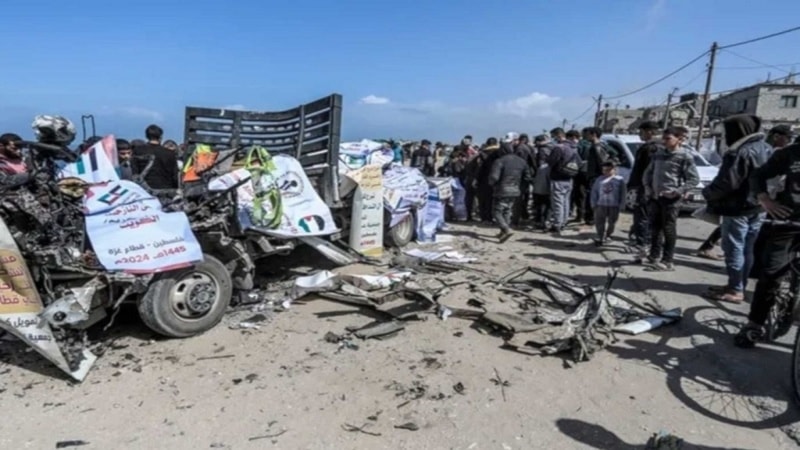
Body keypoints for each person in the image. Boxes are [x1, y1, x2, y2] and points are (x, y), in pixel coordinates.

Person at [736, 138, 800, 347]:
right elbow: (758, 175)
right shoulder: (790, 153)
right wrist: (764, 199)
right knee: (771, 274)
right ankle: (754, 324)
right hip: (789, 221)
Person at [702, 114, 772, 303]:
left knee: (733, 248)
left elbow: (727, 182)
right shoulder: (766, 148)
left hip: (738, 208)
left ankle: (735, 290)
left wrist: (707, 193)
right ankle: (738, 285)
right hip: (758, 207)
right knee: (747, 248)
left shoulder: (739, 152)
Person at [642, 127, 700, 271]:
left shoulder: (684, 156)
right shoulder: (658, 154)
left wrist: (677, 191)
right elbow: (648, 173)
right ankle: (653, 255)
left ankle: (667, 260)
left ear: (679, 139)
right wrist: (648, 189)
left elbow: (693, 179)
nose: (665, 141)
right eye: (664, 138)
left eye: (668, 139)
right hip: (655, 197)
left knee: (668, 229)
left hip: (671, 199)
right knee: (655, 228)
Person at [628, 121, 662, 257]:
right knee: (646, 217)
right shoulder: (658, 147)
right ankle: (644, 242)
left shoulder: (650, 148)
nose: (639, 135)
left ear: (649, 132)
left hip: (644, 187)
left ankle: (643, 245)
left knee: (642, 217)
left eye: (641, 132)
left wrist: (638, 187)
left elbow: (645, 171)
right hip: (650, 188)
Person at [488, 142, 532, 242]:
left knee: (497, 212)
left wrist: (492, 184)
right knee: (507, 210)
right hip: (515, 190)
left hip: (501, 190)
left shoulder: (499, 161)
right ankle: (503, 231)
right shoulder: (521, 161)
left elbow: (494, 177)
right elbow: (528, 176)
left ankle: (506, 229)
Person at [547, 134, 580, 233]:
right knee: (566, 201)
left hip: (558, 178)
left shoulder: (558, 148)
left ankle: (557, 224)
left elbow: (551, 162)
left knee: (558, 202)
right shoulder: (573, 148)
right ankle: (564, 222)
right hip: (569, 178)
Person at [590, 160, 626, 245]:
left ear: (614, 170)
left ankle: (608, 234)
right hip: (601, 204)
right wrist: (593, 203)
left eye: (609, 170)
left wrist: (622, 204)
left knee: (612, 222)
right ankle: (600, 236)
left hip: (614, 205)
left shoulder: (620, 180)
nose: (606, 172)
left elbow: (623, 193)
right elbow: (594, 192)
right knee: (599, 221)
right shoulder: (599, 179)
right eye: (604, 170)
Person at [133, 124, 179, 190]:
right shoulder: (170, 153)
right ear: (160, 137)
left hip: (143, 189)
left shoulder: (138, 151)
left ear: (146, 136)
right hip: (165, 189)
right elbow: (174, 176)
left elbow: (134, 172)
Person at [581, 127, 611, 225]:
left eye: (588, 134)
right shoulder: (595, 146)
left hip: (596, 177)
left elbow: (603, 162)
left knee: (593, 198)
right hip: (594, 176)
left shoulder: (597, 147)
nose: (586, 136)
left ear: (594, 134)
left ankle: (593, 219)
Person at [474, 137, 503, 222]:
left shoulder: (482, 154)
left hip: (484, 179)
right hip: (496, 179)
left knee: (483, 199)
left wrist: (476, 179)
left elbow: (479, 168)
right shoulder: (499, 153)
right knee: (492, 200)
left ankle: (485, 218)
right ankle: (490, 217)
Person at [512, 133, 535, 225]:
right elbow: (533, 161)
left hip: (521, 175)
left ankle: (518, 217)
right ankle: (524, 214)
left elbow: (518, 162)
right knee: (525, 195)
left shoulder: (520, 148)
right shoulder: (529, 148)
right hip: (528, 174)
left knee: (519, 196)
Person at [531, 135, 553, 229]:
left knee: (540, 200)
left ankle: (540, 221)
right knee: (547, 201)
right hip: (550, 176)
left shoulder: (542, 150)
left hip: (541, 176)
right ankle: (546, 220)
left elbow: (539, 164)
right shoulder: (552, 148)